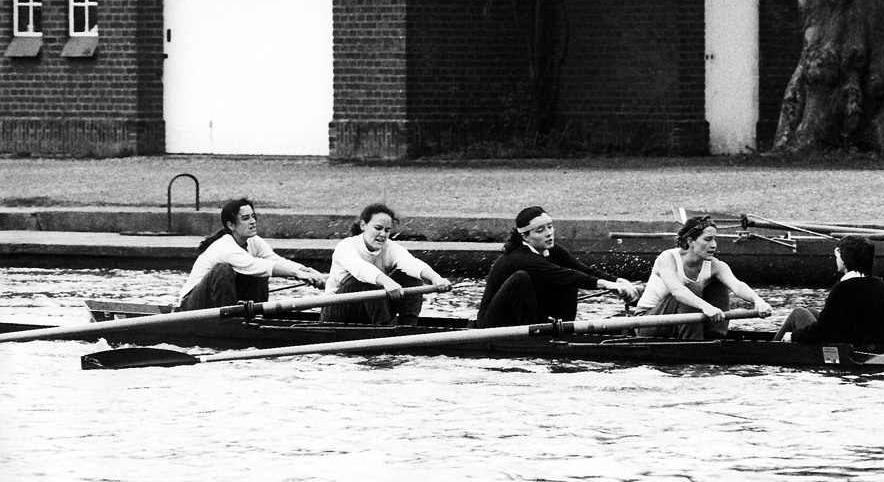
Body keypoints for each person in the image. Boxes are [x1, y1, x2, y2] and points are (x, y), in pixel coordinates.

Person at [476, 206, 639, 328]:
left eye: (550, 226)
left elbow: (583, 270)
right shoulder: (519, 257)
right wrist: (606, 285)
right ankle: (535, 339)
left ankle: (565, 328)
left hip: (525, 314)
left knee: (573, 278)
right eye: (540, 230)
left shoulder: (553, 250)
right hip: (490, 323)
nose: (548, 233)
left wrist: (619, 281)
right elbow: (561, 274)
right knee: (524, 278)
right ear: (525, 237)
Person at [633, 215, 773, 339]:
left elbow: (737, 285)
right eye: (707, 239)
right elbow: (678, 291)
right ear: (690, 241)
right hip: (647, 323)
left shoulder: (716, 265)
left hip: (681, 322)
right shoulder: (668, 258)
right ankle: (694, 346)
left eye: (714, 239)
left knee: (718, 285)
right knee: (689, 290)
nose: (714, 245)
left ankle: (714, 339)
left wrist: (758, 301)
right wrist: (706, 307)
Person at [179, 198, 326, 311]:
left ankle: (255, 316)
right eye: (246, 218)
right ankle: (231, 324)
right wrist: (298, 273)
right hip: (191, 306)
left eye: (253, 216)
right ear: (231, 225)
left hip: (217, 303)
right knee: (224, 269)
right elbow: (257, 266)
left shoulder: (254, 241)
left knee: (261, 268)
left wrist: (306, 271)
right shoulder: (224, 246)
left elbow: (276, 261)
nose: (253, 222)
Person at [319, 203, 452, 326]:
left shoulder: (390, 247)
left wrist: (436, 278)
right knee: (368, 281)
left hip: (371, 308)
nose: (383, 234)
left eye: (387, 230)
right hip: (337, 313)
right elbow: (362, 269)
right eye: (378, 228)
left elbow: (411, 263)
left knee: (409, 275)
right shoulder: (346, 246)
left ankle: (409, 327)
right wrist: (387, 281)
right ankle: (385, 331)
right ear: (363, 225)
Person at [774, 234, 884, 347]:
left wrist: (793, 336)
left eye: (837, 257)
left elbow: (823, 330)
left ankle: (772, 349)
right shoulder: (881, 285)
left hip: (843, 347)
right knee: (810, 311)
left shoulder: (843, 288)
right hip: (870, 344)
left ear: (844, 259)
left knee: (798, 313)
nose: (836, 260)